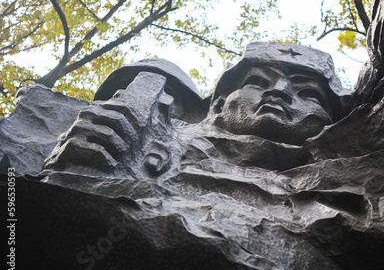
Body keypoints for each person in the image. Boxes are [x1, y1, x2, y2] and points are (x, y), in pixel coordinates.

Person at [44, 42, 350, 176]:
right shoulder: (161, 145)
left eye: (308, 92)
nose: (278, 93)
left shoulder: (344, 183)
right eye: (257, 81)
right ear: (217, 105)